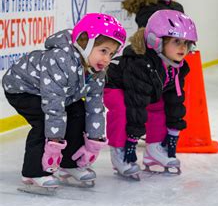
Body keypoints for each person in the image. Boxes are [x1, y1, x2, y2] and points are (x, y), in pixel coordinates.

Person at [2, 13, 126, 194]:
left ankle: (70, 164)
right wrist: (54, 143)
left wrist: (94, 140)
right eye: (103, 51)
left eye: (112, 53)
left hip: (60, 94)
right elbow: (53, 106)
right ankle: (33, 172)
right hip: (22, 88)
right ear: (85, 43)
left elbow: (95, 106)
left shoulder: (97, 70)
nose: (107, 59)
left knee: (78, 113)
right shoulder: (60, 60)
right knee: (45, 121)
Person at [104, 9, 197, 177]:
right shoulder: (141, 64)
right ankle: (119, 152)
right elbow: (136, 103)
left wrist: (173, 131)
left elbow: (174, 99)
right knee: (123, 110)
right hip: (115, 85)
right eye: (176, 41)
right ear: (157, 41)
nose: (183, 48)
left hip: (139, 91)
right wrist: (131, 140)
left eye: (186, 43)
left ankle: (154, 150)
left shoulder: (176, 67)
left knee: (160, 105)